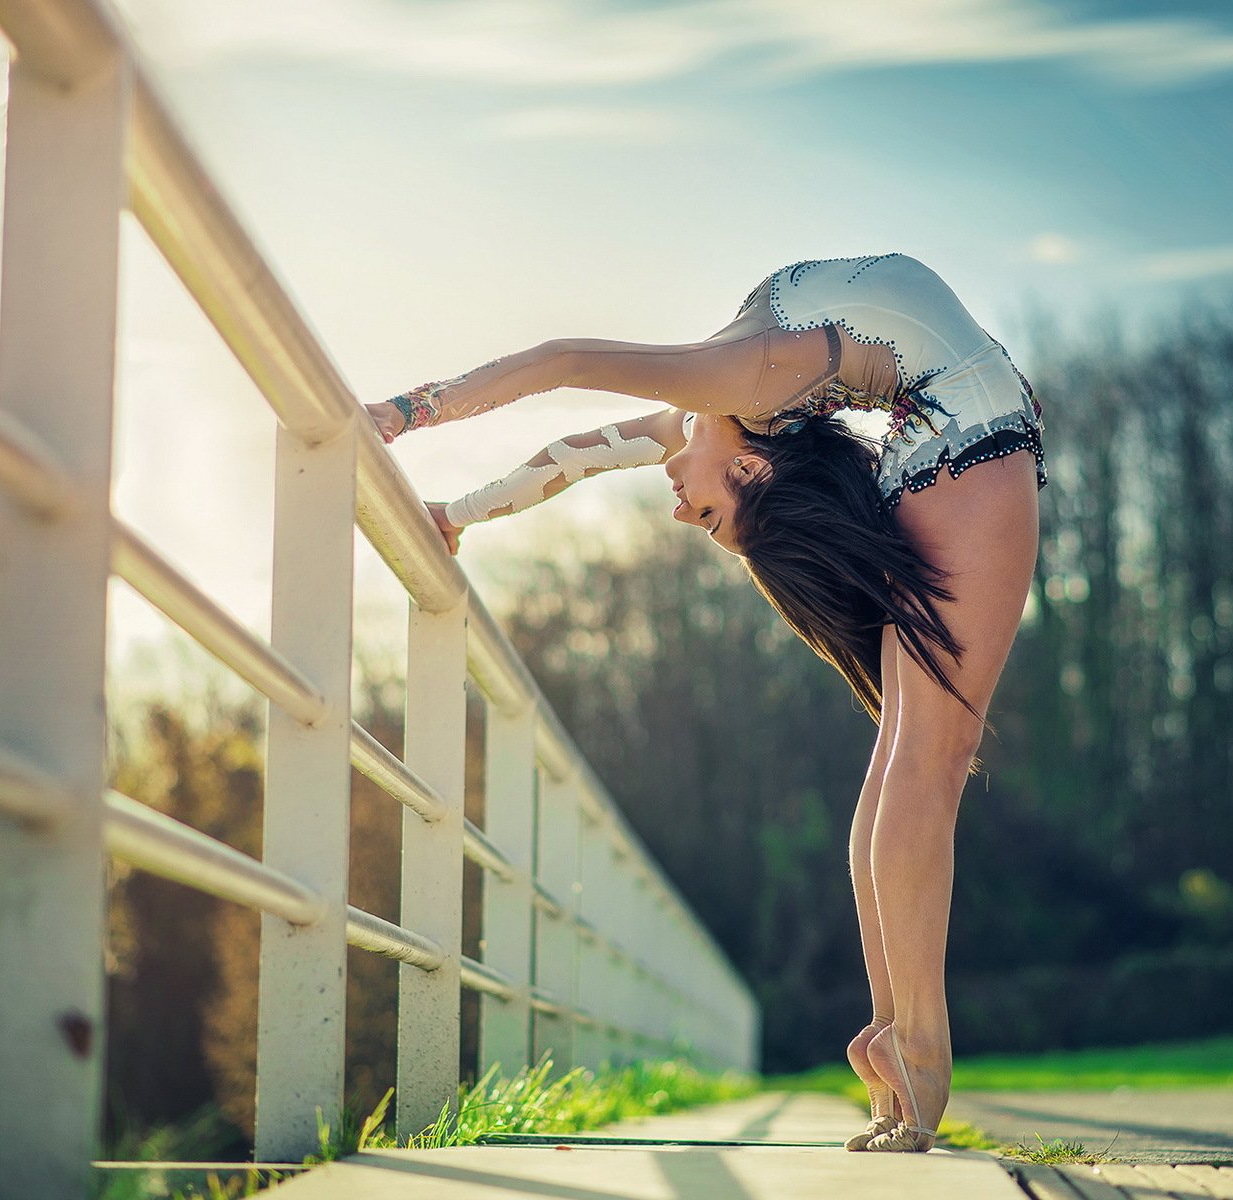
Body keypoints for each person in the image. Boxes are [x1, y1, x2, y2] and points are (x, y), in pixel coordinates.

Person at [368, 252, 1046, 1154]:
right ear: (757, 470)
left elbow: (568, 366)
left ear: (756, 467)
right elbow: (570, 454)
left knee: (907, 757)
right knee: (919, 759)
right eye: (713, 520)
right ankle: (907, 1040)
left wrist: (407, 414)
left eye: (707, 523)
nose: (682, 516)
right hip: (963, 439)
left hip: (946, 438)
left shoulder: (733, 388)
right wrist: (461, 512)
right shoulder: (733, 396)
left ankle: (904, 1040)